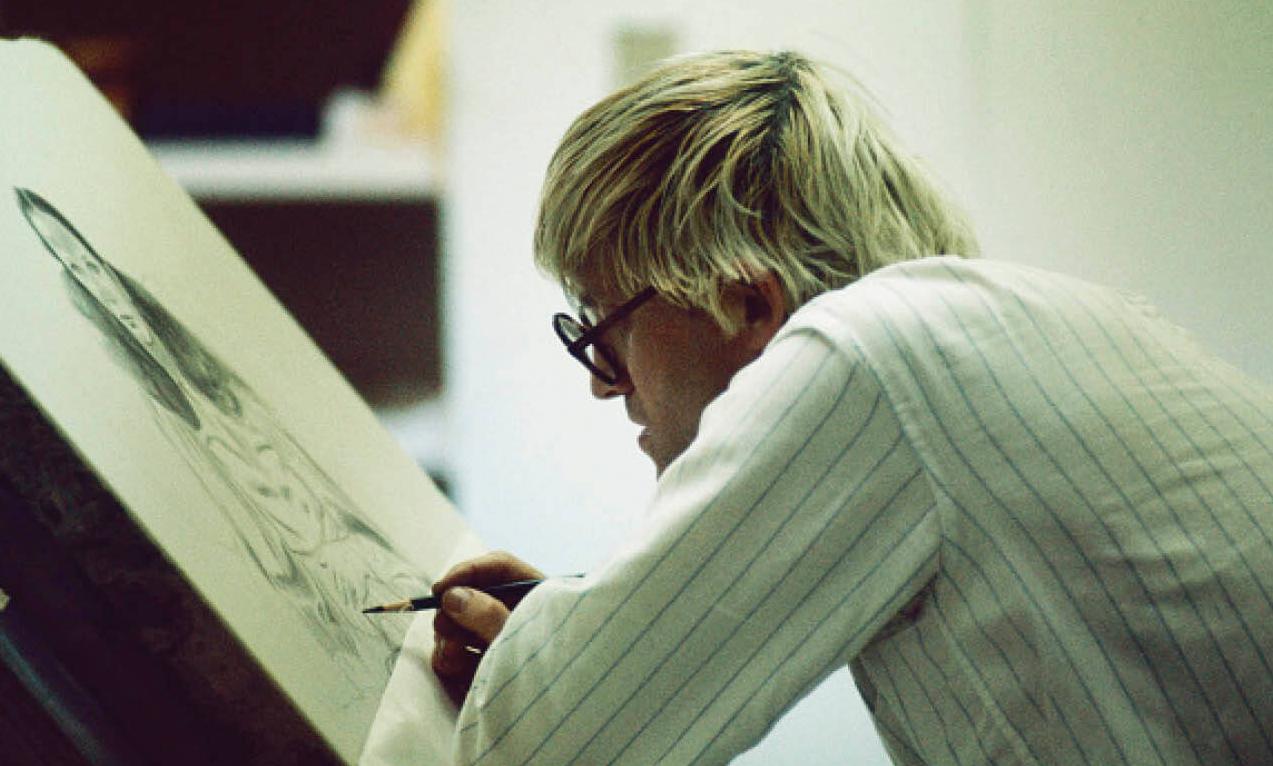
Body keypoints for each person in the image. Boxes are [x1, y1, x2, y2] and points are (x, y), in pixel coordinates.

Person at [427, 50, 1273, 764]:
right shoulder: (1046, 325)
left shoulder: (867, 353)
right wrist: (585, 638)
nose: (602, 382)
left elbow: (545, 748)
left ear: (749, 308)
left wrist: (545, 672)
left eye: (605, 330)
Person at [16, 187, 425, 689]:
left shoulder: (215, 367)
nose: (98, 285)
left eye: (91, 262)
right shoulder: (159, 410)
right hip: (310, 581)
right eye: (76, 271)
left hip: (355, 548)